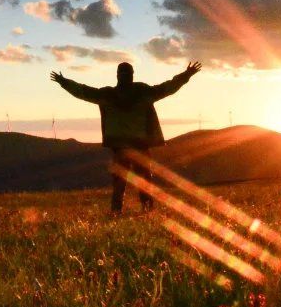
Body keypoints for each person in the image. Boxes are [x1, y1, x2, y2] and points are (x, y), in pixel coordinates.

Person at [51, 60, 200, 215]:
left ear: (117, 75)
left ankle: (117, 212)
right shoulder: (144, 92)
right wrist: (187, 74)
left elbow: (83, 91)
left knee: (119, 182)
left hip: (120, 146)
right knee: (144, 180)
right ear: (132, 75)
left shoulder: (107, 95)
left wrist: (63, 82)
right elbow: (168, 87)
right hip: (140, 145)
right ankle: (147, 211)